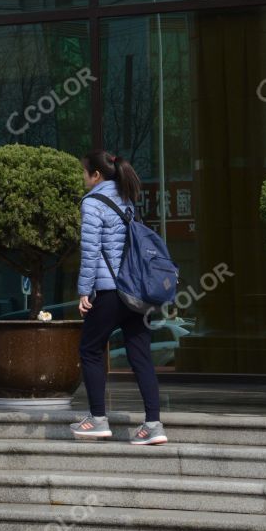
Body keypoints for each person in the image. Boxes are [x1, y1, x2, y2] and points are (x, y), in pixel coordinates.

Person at [69, 150, 167, 445]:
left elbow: (90, 251)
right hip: (134, 292)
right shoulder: (126, 200)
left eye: (84, 172)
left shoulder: (93, 203)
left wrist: (85, 290)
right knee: (141, 357)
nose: (83, 177)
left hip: (110, 290)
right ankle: (153, 424)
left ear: (96, 175)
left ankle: (97, 419)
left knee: (89, 349)